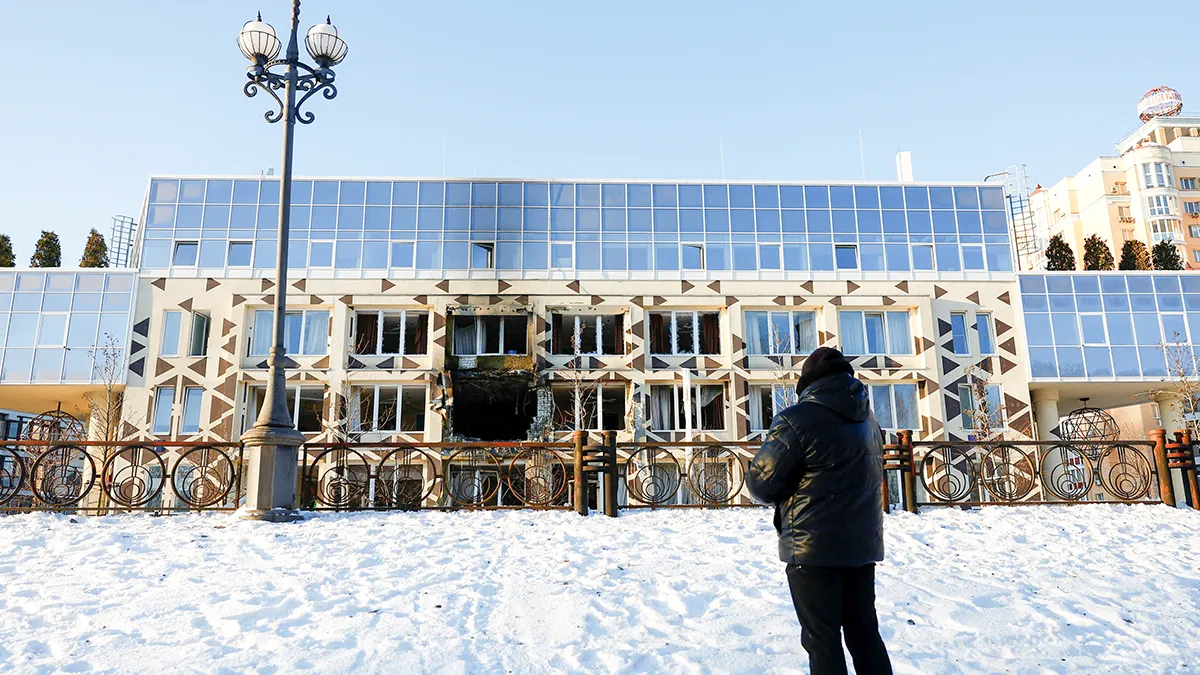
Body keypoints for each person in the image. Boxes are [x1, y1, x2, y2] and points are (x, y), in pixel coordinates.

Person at [746, 347, 892, 675]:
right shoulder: (870, 421)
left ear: (808, 382)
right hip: (861, 548)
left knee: (821, 640)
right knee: (864, 634)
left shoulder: (796, 419)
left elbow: (762, 484)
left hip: (812, 551)